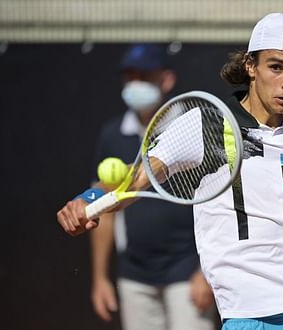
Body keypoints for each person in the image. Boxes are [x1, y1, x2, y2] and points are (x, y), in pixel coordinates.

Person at [57, 15, 283, 330]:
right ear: (250, 66)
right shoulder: (207, 122)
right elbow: (133, 184)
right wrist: (86, 204)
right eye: (276, 67)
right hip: (255, 316)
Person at [88, 44, 215, 330]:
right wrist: (100, 278)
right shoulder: (112, 134)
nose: (135, 84)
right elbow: (106, 207)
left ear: (166, 79)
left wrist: (206, 273)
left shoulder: (191, 129)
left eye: (144, 76)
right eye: (130, 77)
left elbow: (219, 204)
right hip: (134, 275)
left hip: (187, 274)